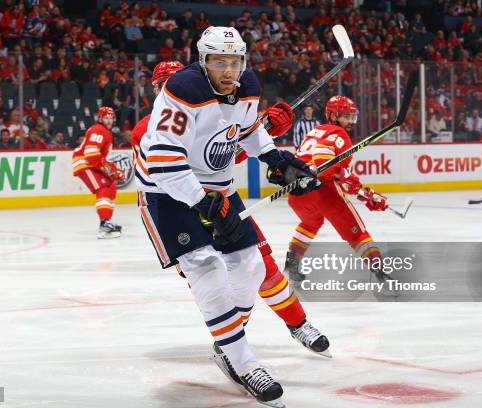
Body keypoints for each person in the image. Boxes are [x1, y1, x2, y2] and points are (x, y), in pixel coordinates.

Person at [135, 27, 318, 407]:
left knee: (251, 266)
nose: (227, 70)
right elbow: (164, 163)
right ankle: (243, 361)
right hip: (167, 194)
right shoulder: (183, 90)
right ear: (203, 61)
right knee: (206, 268)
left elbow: (246, 130)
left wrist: (276, 159)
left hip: (217, 188)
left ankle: (226, 344)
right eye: (219, 61)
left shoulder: (247, 85)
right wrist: (203, 203)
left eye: (233, 61)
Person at [284, 96, 390, 282]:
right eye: (346, 117)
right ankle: (381, 273)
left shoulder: (316, 131)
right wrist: (366, 194)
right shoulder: (339, 134)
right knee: (357, 233)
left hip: (296, 192)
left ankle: (292, 263)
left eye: (352, 117)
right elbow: (326, 167)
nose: (350, 122)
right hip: (321, 191)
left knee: (310, 223)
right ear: (332, 115)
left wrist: (363, 193)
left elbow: (318, 164)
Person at [72, 106, 125, 239]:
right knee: (104, 187)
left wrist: (110, 170)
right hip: (84, 163)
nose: (109, 120)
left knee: (110, 186)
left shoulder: (104, 131)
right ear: (100, 118)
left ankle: (107, 220)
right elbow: (91, 155)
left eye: (111, 118)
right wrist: (111, 170)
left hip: (90, 163)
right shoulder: (98, 130)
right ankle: (104, 224)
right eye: (106, 118)